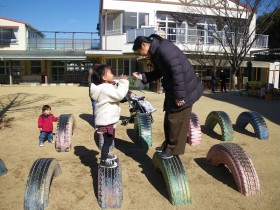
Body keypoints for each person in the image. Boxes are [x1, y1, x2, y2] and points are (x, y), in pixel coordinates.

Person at [132, 34, 203, 159]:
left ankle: (173, 150)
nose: (142, 55)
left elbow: (178, 72)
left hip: (185, 90)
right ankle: (168, 145)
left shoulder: (164, 49)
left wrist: (180, 97)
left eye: (140, 52)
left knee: (176, 120)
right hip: (175, 88)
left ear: (144, 44)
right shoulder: (156, 52)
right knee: (169, 117)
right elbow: (159, 72)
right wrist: (143, 76)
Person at [90, 64, 129, 168]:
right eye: (111, 73)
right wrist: (123, 82)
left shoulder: (102, 87)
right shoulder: (106, 88)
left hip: (105, 119)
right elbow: (119, 95)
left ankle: (106, 155)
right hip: (107, 120)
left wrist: (115, 84)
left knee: (109, 140)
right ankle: (103, 159)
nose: (113, 74)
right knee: (108, 141)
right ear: (104, 77)